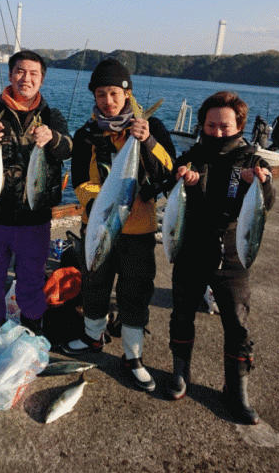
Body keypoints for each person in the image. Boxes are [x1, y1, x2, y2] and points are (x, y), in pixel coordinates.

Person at [62, 58, 175, 392]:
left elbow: (167, 173)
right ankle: (92, 336)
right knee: (94, 282)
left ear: (127, 94)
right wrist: (98, 206)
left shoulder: (150, 127)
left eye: (113, 93)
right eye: (100, 94)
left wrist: (148, 141)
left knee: (136, 290)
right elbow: (80, 178)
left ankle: (133, 355)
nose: (107, 101)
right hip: (98, 226)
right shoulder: (85, 134)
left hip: (138, 231)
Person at [167, 91, 275, 425]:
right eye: (210, 125)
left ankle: (236, 388)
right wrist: (180, 178)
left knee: (237, 323)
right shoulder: (191, 156)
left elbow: (266, 203)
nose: (216, 131)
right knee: (182, 313)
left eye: (223, 126)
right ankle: (180, 373)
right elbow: (172, 193)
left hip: (232, 255)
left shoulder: (254, 161)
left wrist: (261, 183)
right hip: (191, 250)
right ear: (201, 124)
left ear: (239, 125)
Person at [0, 50, 72, 344]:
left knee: (32, 276)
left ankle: (32, 322)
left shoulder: (51, 116)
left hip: (34, 217)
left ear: (42, 80)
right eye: (21, 71)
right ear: (10, 76)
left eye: (34, 73)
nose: (27, 78)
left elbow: (67, 149)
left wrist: (52, 138)